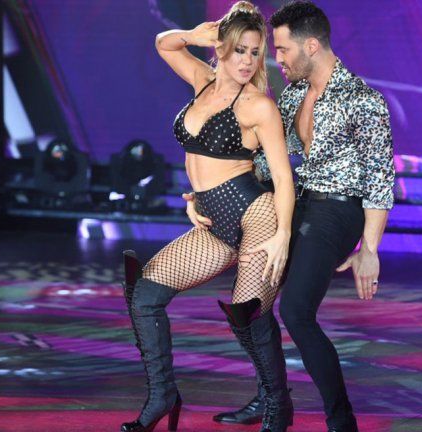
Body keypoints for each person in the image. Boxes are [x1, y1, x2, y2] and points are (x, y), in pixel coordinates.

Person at [210, 2, 396, 431]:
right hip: (297, 201)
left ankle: (341, 421)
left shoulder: (363, 101)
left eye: (282, 49)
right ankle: (271, 399)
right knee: (251, 304)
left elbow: (380, 179)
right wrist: (214, 181)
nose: (276, 58)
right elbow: (266, 160)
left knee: (296, 311)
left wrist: (369, 249)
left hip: (339, 210)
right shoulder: (294, 94)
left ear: (311, 45)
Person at [120, 2, 295, 431]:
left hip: (257, 215)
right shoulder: (202, 80)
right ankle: (162, 397)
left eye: (255, 52)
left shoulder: (258, 106)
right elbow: (163, 44)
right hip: (213, 221)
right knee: (145, 293)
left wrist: (283, 236)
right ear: (221, 48)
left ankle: (277, 406)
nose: (248, 61)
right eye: (239, 50)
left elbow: (283, 177)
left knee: (248, 313)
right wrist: (194, 36)